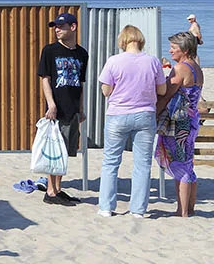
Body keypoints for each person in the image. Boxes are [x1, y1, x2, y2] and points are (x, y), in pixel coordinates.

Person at [97, 24, 166, 218]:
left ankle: (106, 207)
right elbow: (161, 90)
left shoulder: (114, 61)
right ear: (140, 40)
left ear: (123, 40)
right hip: (145, 114)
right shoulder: (152, 61)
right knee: (142, 164)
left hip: (118, 114)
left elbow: (106, 91)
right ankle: (138, 209)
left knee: (111, 162)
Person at [36, 12, 88, 205]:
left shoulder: (82, 53)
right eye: (55, 27)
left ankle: (58, 188)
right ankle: (50, 191)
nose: (57, 30)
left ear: (73, 27)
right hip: (57, 109)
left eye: (61, 26)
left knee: (65, 151)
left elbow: (81, 83)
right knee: (55, 150)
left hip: (73, 109)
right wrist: (51, 104)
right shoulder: (50, 51)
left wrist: (81, 108)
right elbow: (45, 79)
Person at [155, 31, 203, 217]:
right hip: (191, 120)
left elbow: (166, 94)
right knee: (187, 164)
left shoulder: (181, 68)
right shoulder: (196, 67)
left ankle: (182, 210)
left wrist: (154, 114)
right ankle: (189, 208)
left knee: (180, 164)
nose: (170, 51)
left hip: (179, 123)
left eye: (174, 47)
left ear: (185, 49)